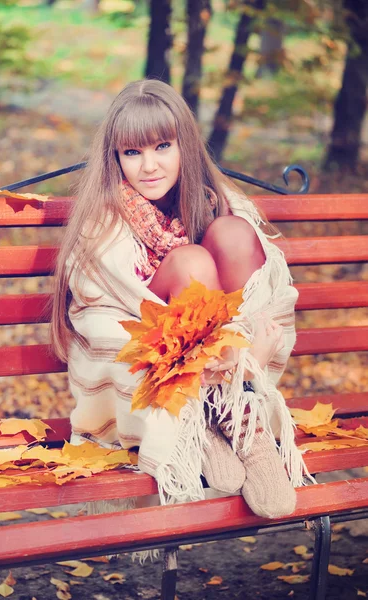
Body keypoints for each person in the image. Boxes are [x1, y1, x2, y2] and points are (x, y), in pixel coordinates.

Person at [51, 79, 309, 519]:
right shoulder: (105, 218)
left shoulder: (217, 203)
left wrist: (245, 351)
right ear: (115, 157)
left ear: (184, 145)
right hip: (154, 353)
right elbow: (103, 308)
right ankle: (198, 413)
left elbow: (264, 299)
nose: (148, 166)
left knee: (231, 234)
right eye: (132, 153)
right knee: (191, 261)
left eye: (162, 147)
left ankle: (236, 413)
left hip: (229, 368)